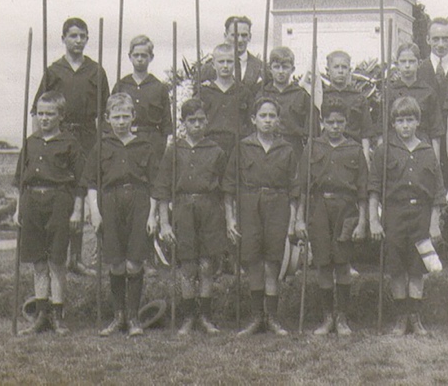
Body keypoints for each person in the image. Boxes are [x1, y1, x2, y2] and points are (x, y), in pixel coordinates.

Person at [33, 17, 110, 275]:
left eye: (82, 36)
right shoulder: (54, 71)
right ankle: (59, 256)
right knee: (64, 193)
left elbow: (106, 113)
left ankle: (80, 257)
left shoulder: (96, 71)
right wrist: (41, 144)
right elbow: (37, 110)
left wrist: (104, 144)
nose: (78, 40)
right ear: (63, 38)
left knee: (88, 190)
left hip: (88, 136)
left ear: (88, 39)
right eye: (73, 35)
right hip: (61, 135)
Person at [368, 96, 445, 336]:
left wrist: (434, 225)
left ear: (418, 122)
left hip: (420, 214)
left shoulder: (428, 152)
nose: (405, 125)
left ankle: (415, 317)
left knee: (416, 267)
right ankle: (401, 317)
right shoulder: (384, 151)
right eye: (400, 121)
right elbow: (374, 189)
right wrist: (373, 220)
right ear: (393, 123)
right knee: (397, 268)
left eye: (409, 120)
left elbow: (438, 192)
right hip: (394, 215)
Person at [85, 93, 159, 338]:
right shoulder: (102, 146)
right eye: (115, 117)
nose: (120, 121)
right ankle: (119, 317)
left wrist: (153, 215)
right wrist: (95, 212)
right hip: (110, 202)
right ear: (107, 118)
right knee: (116, 261)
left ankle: (134, 318)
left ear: (133, 117)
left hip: (139, 202)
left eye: (125, 116)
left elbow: (155, 184)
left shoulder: (145, 146)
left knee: (134, 261)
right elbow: (92, 184)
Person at [224, 97, 299, 336]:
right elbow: (229, 186)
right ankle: (257, 317)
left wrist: (293, 220)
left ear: (278, 120)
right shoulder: (243, 147)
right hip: (249, 204)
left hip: (278, 205)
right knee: (254, 261)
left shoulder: (287, 149)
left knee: (272, 262)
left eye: (272, 116)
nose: (267, 121)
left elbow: (294, 189)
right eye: (263, 116)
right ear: (253, 119)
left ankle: (272, 318)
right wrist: (230, 218)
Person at [155, 98, 229, 335]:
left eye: (201, 120)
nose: (197, 125)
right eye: (191, 121)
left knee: (207, 265)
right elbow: (163, 187)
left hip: (209, 209)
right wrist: (164, 223)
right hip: (183, 209)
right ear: (183, 123)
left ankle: (205, 316)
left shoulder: (216, 151)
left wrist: (227, 218)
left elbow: (226, 189)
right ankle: (188, 317)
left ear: (207, 121)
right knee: (188, 265)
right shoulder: (173, 150)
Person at [294, 99, 367, 336]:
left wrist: (363, 221)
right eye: (330, 122)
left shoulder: (355, 149)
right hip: (319, 208)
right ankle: (327, 318)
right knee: (324, 264)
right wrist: (300, 220)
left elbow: (363, 190)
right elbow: (303, 188)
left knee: (343, 263)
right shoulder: (313, 147)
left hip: (346, 209)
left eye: (340, 122)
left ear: (346, 123)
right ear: (322, 123)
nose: (335, 126)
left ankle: (342, 318)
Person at [13, 91, 83, 336]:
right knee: (38, 261)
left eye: (50, 114)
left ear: (60, 116)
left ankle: (58, 315)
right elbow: (20, 180)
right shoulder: (31, 142)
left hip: (58, 201)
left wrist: (76, 211)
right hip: (32, 200)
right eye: (40, 113)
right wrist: (17, 209)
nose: (44, 118)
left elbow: (80, 183)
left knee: (56, 260)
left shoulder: (70, 143)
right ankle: (41, 315)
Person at [420, 18, 448, 257]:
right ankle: (430, 246)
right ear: (427, 40)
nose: (441, 44)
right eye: (435, 38)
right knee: (430, 192)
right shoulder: (419, 69)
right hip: (428, 143)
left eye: (445, 38)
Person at [114, 34, 172, 165]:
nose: (140, 59)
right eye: (136, 55)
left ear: (151, 57)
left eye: (144, 55)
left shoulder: (159, 87)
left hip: (152, 143)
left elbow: (166, 124)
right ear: (130, 56)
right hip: (126, 139)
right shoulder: (121, 85)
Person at [255, 47, 314, 157]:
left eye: (285, 67)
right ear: (270, 69)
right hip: (267, 146)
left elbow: (310, 130)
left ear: (292, 69)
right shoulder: (262, 94)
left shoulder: (302, 95)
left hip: (293, 147)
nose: (281, 71)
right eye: (276, 67)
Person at [391, 43, 444, 162]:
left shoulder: (428, 92)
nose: (407, 66)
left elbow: (435, 132)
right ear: (397, 63)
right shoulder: (390, 92)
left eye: (412, 61)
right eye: (403, 61)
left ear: (419, 63)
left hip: (422, 149)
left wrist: (435, 163)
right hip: (396, 150)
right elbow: (382, 131)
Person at [321, 50, 374, 166]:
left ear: (349, 71)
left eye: (344, 67)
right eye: (336, 67)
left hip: (353, 153)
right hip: (328, 152)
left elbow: (365, 133)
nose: (340, 71)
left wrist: (365, 159)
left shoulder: (359, 98)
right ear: (328, 71)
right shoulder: (321, 97)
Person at [200, 43, 253, 156]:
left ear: (235, 64)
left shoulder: (244, 92)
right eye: (221, 61)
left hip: (237, 147)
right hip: (210, 146)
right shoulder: (204, 92)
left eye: (229, 61)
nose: (225, 66)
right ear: (213, 64)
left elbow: (250, 123)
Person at [200, 16, 264, 88]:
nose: (240, 40)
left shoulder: (260, 67)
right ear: (225, 36)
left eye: (244, 35)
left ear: (250, 37)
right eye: (235, 35)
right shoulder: (210, 67)